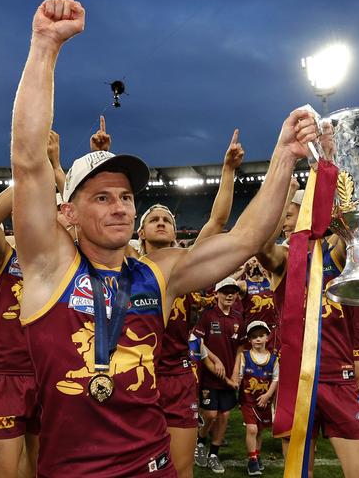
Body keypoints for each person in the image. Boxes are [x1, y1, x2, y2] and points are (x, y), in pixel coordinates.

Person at [10, 0, 317, 476]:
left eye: (126, 196)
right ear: (67, 211)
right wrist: (45, 46)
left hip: (154, 465)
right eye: (101, 198)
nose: (120, 207)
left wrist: (283, 156)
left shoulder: (160, 273)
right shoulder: (49, 266)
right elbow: (29, 162)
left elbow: (245, 239)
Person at [137, 128, 244, 478]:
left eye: (167, 219)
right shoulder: (128, 266)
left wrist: (227, 172)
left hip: (180, 375)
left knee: (181, 468)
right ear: (141, 233)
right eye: (154, 219)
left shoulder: (187, 264)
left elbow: (217, 221)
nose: (162, 222)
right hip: (139, 374)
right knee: (137, 463)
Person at [258, 190, 359, 478]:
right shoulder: (284, 260)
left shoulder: (337, 256)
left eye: (289, 213)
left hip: (340, 380)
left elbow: (352, 234)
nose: (285, 221)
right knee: (300, 472)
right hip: (296, 381)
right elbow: (261, 244)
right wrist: (284, 191)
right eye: (283, 215)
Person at [0, 130, 63, 478]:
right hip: (6, 377)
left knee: (41, 467)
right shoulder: (2, 259)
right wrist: (30, 176)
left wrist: (54, 167)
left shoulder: (60, 259)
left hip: (48, 374)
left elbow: (77, 208)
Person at [194, 277, 245, 473]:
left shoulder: (238, 318)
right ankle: (200, 441)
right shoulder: (207, 315)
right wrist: (215, 360)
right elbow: (198, 341)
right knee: (210, 415)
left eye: (233, 291)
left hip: (230, 378)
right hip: (209, 376)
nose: (230, 295)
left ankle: (214, 453)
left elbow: (240, 349)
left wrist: (235, 375)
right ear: (216, 294)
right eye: (225, 291)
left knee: (224, 416)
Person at [233, 320, 279, 476]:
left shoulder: (273, 358)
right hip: (248, 400)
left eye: (261, 336)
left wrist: (268, 395)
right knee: (252, 428)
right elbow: (238, 376)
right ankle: (252, 460)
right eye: (254, 337)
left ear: (267, 337)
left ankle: (257, 454)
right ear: (249, 340)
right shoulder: (244, 356)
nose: (258, 339)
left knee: (259, 431)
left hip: (264, 401)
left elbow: (275, 379)